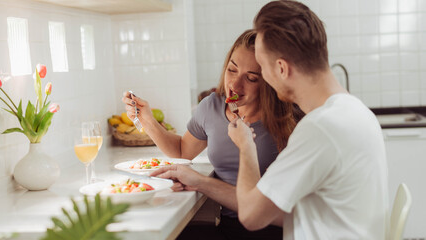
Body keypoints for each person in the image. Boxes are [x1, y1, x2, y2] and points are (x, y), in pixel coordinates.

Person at [227, 1, 389, 240]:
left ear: (281, 68)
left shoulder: (321, 128)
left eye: (261, 68)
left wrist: (246, 147)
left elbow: (251, 216)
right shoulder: (355, 111)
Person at [122, 29, 303, 239]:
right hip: (229, 226)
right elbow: (182, 151)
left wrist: (200, 181)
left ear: (270, 81)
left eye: (251, 78)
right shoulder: (211, 107)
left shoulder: (289, 120)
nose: (234, 85)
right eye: (231, 70)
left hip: (276, 230)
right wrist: (147, 119)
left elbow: (279, 206)